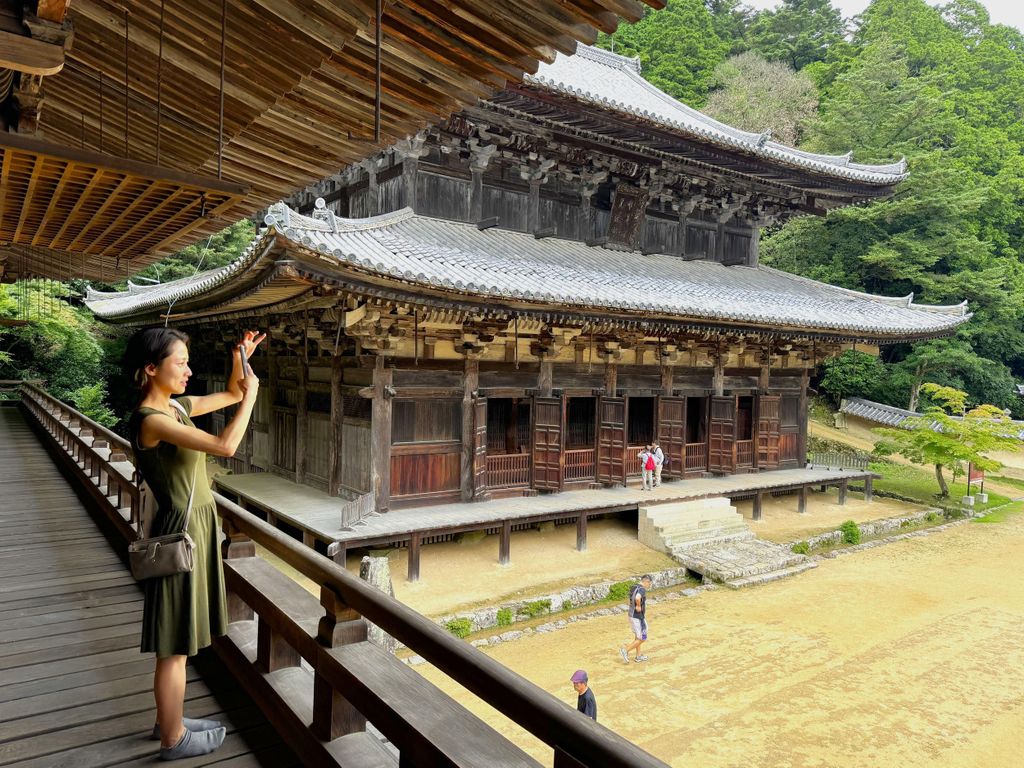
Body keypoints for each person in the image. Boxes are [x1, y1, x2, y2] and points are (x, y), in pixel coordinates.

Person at [125, 326, 264, 761]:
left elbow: (228, 393)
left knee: (181, 637)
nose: (188, 370)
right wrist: (254, 397)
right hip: (180, 535)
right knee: (174, 645)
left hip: (198, 528)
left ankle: (171, 719)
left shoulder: (177, 408)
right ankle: (172, 738)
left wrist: (241, 359)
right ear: (151, 369)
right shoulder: (153, 422)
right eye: (180, 362)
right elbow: (225, 445)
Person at [619, 574, 652, 663]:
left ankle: (638, 656)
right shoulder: (642, 589)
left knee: (638, 636)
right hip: (638, 617)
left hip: (631, 615)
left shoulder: (633, 586)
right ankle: (625, 650)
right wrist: (638, 606)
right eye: (649, 584)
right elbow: (637, 598)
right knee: (643, 637)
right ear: (646, 581)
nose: (649, 586)